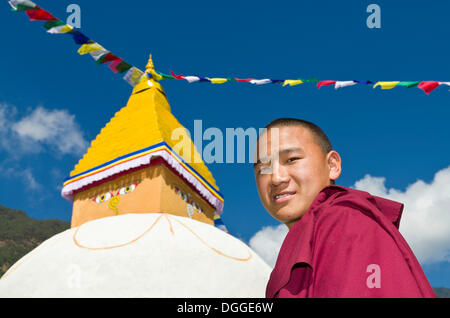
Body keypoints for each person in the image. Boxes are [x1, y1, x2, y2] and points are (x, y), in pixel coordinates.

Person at [253, 118, 436, 298]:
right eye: (263, 169)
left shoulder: (343, 219)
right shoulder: (301, 247)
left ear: (332, 165)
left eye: (292, 159)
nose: (276, 178)